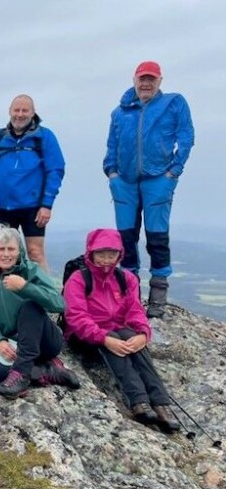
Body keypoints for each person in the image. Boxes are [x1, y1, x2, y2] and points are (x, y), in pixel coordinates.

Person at [63, 228, 179, 433]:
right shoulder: (79, 279)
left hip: (117, 330)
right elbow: (76, 317)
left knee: (129, 337)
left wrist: (143, 334)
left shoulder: (126, 279)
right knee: (116, 337)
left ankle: (161, 403)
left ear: (119, 254)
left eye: (112, 254)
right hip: (83, 336)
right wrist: (104, 338)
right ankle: (139, 401)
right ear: (91, 253)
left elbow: (135, 310)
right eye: (101, 254)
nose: (107, 260)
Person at [105, 61, 195, 319]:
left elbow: (186, 136)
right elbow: (111, 144)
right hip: (124, 181)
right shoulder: (119, 112)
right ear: (134, 79)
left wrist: (173, 171)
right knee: (126, 239)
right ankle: (130, 296)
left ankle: (158, 298)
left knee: (157, 238)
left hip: (159, 178)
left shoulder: (174, 103)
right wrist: (111, 172)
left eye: (151, 79)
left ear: (159, 81)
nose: (146, 83)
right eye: (142, 78)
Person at [0, 226, 80, 398]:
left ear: (19, 250)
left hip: (43, 341)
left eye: (11, 249)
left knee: (29, 307)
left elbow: (59, 304)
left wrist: (25, 287)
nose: (6, 254)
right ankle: (44, 371)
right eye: (1, 249)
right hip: (11, 343)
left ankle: (20, 374)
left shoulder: (31, 270)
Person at [0, 95, 65, 272]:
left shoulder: (44, 137)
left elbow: (55, 170)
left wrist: (47, 205)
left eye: (25, 110)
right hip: (3, 208)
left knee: (35, 253)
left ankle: (47, 296)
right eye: (16, 110)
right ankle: (5, 297)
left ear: (33, 113)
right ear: (10, 112)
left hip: (33, 208)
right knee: (3, 255)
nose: (20, 114)